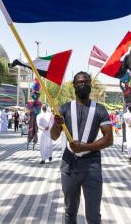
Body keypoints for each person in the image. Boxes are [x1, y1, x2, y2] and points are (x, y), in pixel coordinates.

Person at [51, 71, 113, 224]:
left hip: (91, 166)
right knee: (70, 211)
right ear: (74, 86)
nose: (83, 84)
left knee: (93, 215)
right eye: (79, 82)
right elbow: (53, 136)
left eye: (86, 81)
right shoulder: (64, 109)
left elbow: (109, 139)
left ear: (90, 85)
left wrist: (85, 147)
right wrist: (56, 125)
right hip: (69, 165)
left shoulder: (100, 109)